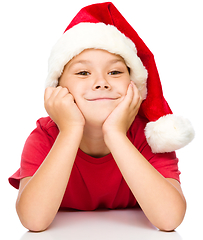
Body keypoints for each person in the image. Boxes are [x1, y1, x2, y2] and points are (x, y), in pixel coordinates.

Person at [9, 2, 195, 232]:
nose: (101, 82)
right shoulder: (44, 137)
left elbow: (170, 220)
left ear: (134, 85)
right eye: (83, 72)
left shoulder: (150, 137)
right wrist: (70, 130)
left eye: (115, 72)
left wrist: (115, 134)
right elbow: (33, 221)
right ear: (58, 88)